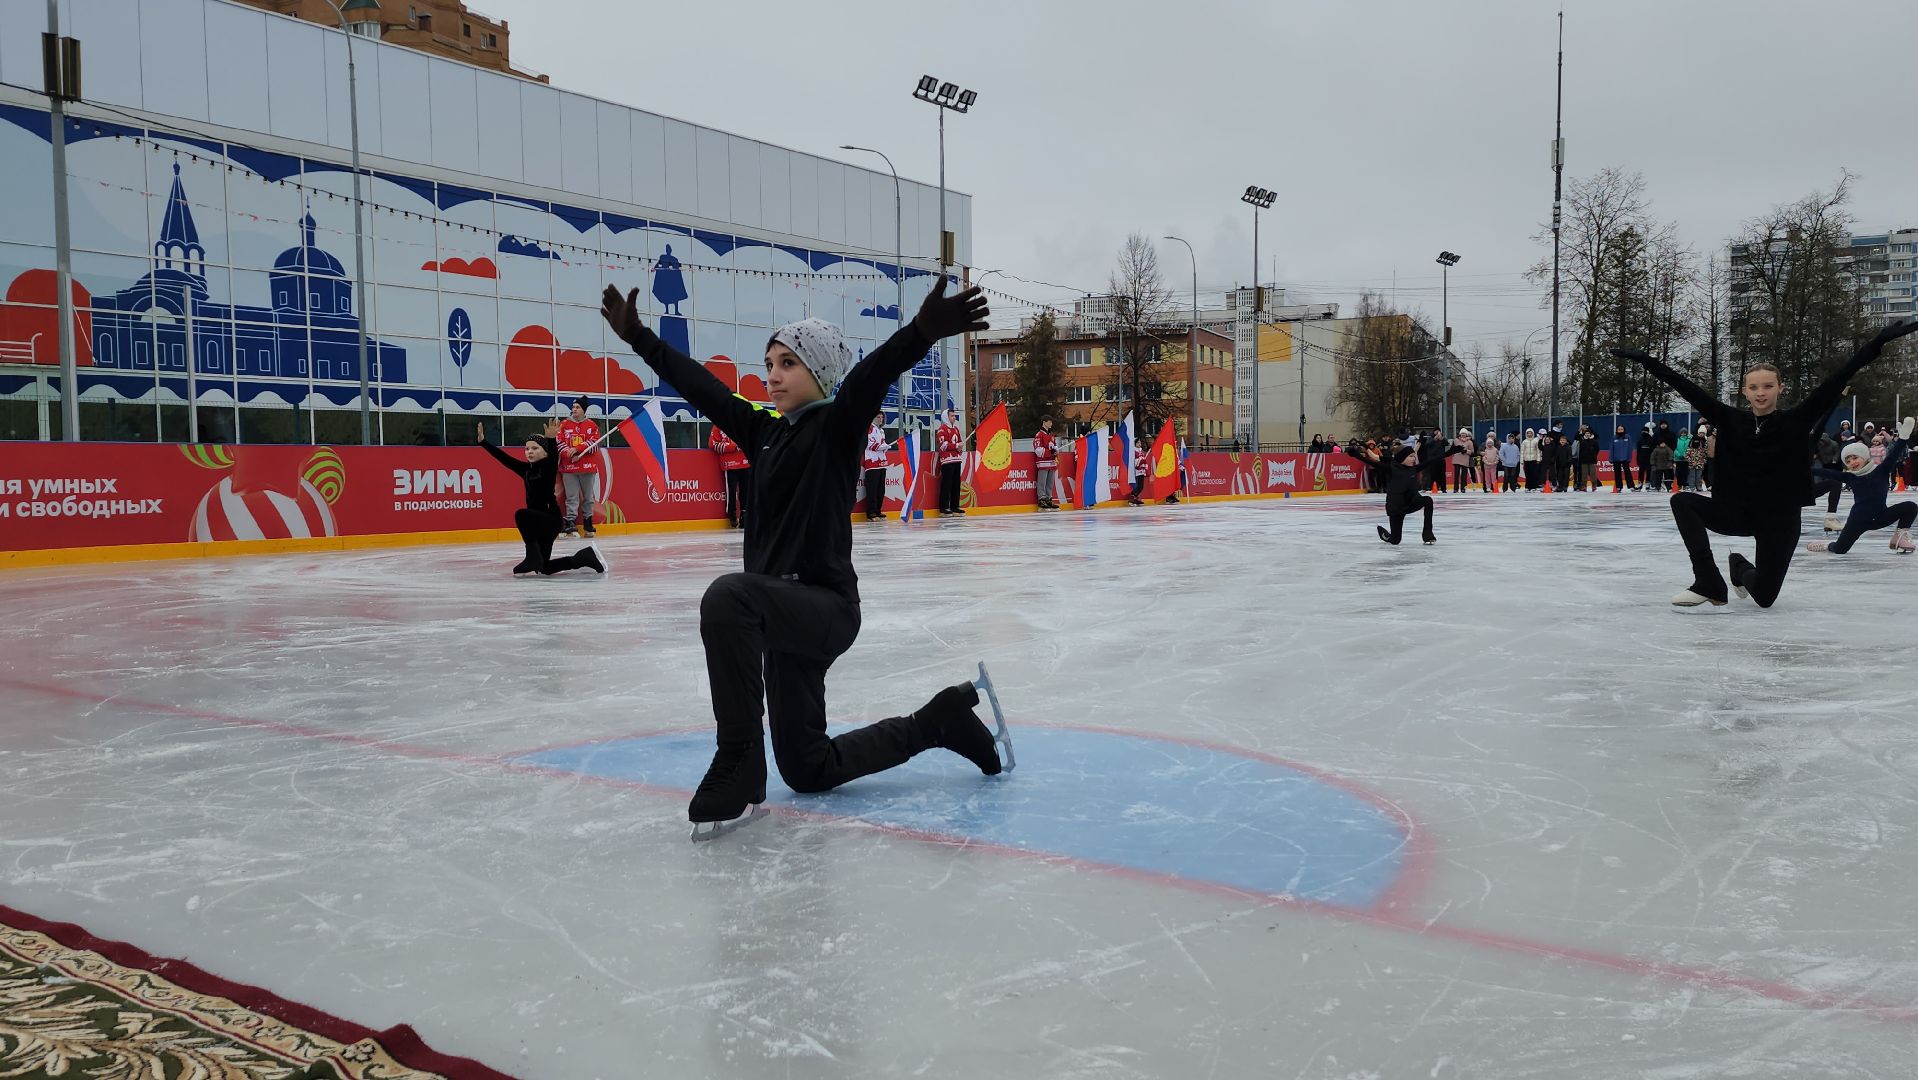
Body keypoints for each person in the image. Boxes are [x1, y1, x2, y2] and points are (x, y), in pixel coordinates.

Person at [600, 276, 1012, 839]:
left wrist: (920, 332)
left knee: (728, 597)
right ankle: (936, 722)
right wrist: (640, 338)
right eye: (769, 363)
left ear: (820, 372)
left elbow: (871, 377)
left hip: (824, 606)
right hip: (779, 616)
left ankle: (739, 761)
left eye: (788, 363)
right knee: (807, 768)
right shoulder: (763, 434)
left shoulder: (837, 429)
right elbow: (702, 388)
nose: (772, 375)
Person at [1613, 317, 1918, 608]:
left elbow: (1840, 375)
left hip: (1779, 520)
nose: (1761, 393)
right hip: (1737, 512)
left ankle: (1738, 567)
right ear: (1744, 391)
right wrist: (1647, 361)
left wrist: (1877, 343)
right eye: (1754, 387)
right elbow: (1685, 386)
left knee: (1764, 596)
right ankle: (1708, 581)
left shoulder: (1797, 419)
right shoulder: (1729, 418)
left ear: (1780, 388)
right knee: (1682, 501)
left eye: (1768, 386)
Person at [476, 422, 607, 577]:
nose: (530, 451)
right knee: (543, 567)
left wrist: (551, 439)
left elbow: (554, 456)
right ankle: (583, 558)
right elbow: (504, 458)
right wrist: (483, 442)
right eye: (527, 449)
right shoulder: (526, 469)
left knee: (521, 515)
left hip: (550, 519)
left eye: (535, 448)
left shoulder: (548, 466)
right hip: (537, 523)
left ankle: (531, 557)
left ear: (545, 453)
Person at [1808, 420, 1916, 555]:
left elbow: (1893, 455)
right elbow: (1826, 473)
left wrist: (1903, 439)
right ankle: (1828, 545)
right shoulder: (1850, 477)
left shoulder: (1881, 471)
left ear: (1864, 457)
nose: (1852, 462)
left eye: (1855, 458)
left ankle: (1899, 538)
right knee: (1840, 549)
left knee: (1911, 507)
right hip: (1857, 521)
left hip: (1880, 517)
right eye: (1848, 461)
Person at [1355, 443, 1435, 545]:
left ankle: (1428, 534)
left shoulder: (1412, 468)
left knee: (1428, 500)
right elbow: (1374, 460)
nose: (1414, 459)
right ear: (1402, 456)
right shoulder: (1391, 465)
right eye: (1411, 456)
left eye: (1413, 456)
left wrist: (1420, 442)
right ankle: (1385, 535)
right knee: (1395, 540)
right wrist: (1360, 453)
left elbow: (1424, 457)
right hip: (1396, 507)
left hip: (1410, 503)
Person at [556, 397, 601, 538]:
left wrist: (577, 450)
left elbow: (595, 445)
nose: (574, 409)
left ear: (584, 410)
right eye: (573, 407)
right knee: (571, 496)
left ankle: (588, 522)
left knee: (588, 497)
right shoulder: (564, 424)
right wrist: (569, 454)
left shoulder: (592, 425)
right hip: (569, 468)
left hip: (587, 468)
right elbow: (559, 443)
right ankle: (570, 522)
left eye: (577, 407)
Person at [711, 421, 751, 528]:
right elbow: (713, 444)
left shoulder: (743, 422)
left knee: (746, 490)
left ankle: (744, 515)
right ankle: (732, 514)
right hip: (730, 464)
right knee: (731, 491)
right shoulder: (718, 426)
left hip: (745, 462)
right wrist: (733, 446)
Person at [935, 407, 965, 516]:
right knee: (946, 484)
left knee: (956, 484)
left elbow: (959, 442)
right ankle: (944, 508)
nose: (954, 418)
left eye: (954, 416)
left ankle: (955, 506)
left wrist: (960, 447)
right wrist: (956, 446)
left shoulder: (956, 429)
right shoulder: (942, 429)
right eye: (952, 416)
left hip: (957, 460)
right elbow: (943, 445)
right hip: (947, 461)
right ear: (946, 417)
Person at [861, 414, 890, 522]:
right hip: (872, 462)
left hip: (882, 462)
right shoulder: (870, 427)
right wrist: (881, 447)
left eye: (882, 417)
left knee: (880, 489)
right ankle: (871, 512)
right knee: (872, 488)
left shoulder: (881, 431)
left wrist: (885, 447)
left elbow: (882, 443)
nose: (881, 419)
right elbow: (869, 443)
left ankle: (878, 510)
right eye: (878, 417)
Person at [1033, 415, 1060, 509]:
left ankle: (1049, 499)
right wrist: (1050, 452)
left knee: (1050, 483)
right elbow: (1038, 450)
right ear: (1044, 422)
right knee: (1042, 482)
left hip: (1051, 462)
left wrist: (1055, 451)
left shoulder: (1051, 435)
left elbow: (1055, 446)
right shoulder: (1039, 435)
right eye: (1050, 421)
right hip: (1043, 463)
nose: (1051, 423)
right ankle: (1042, 499)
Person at [1608, 425, 1634, 493]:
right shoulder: (1614, 438)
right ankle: (1618, 487)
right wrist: (1611, 458)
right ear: (1617, 430)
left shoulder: (1627, 437)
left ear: (1624, 430)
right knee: (1617, 473)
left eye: (1621, 429)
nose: (1620, 430)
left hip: (1625, 458)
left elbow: (1630, 448)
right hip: (1616, 458)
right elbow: (1611, 448)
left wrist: (1629, 457)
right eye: (1619, 429)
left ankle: (1631, 486)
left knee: (1627, 472)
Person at [1449, 428, 1475, 493]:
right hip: (1457, 459)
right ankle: (1455, 488)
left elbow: (1472, 452)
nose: (1463, 434)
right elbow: (1452, 449)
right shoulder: (1455, 440)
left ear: (1466, 434)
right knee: (1456, 475)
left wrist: (1466, 451)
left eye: (1464, 433)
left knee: (1464, 475)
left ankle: (1463, 488)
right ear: (1460, 434)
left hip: (1465, 460)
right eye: (1462, 433)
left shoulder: (1469, 442)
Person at [1577, 424, 1600, 491]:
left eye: (1588, 433)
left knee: (1593, 474)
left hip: (1592, 460)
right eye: (1586, 433)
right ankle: (1584, 486)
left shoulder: (1594, 441)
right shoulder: (1582, 442)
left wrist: (1594, 455)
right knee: (1584, 474)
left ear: (1590, 434)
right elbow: (1580, 451)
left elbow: (1597, 450)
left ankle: (1594, 485)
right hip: (1584, 461)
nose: (1587, 434)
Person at [1634, 422, 1656, 490]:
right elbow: (1638, 451)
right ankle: (1640, 483)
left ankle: (1647, 483)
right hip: (1641, 459)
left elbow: (1653, 450)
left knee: (1649, 472)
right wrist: (1638, 460)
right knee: (1641, 472)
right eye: (1643, 431)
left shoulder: (1651, 440)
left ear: (1648, 432)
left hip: (1649, 459)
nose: (1644, 433)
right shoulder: (1640, 440)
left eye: (1645, 431)